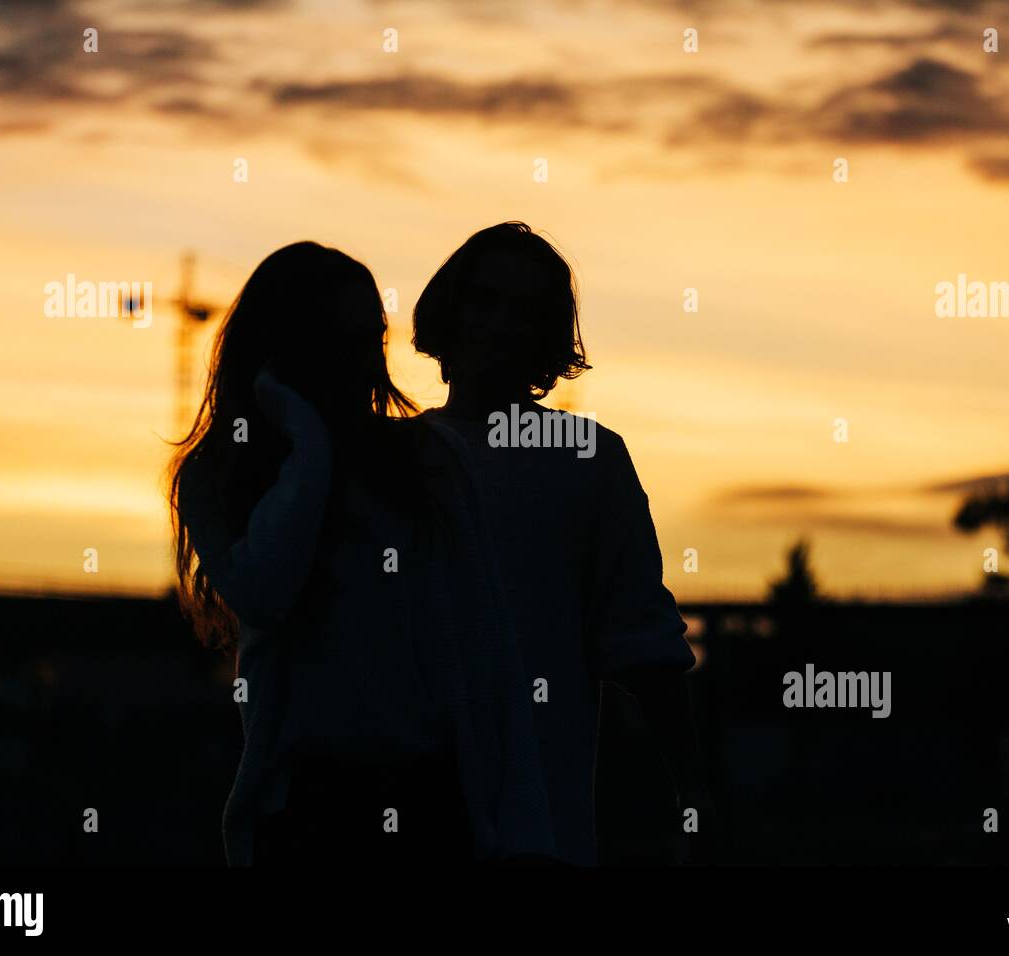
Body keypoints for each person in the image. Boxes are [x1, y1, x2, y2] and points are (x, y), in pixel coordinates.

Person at [167, 241, 555, 866]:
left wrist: (523, 833)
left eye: (371, 339)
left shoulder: (429, 462)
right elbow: (268, 590)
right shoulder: (219, 477)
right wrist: (309, 448)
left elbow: (489, 654)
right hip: (303, 818)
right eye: (339, 342)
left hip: (428, 807)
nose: (363, 364)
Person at [414, 222, 717, 865]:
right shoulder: (393, 462)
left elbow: (646, 643)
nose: (497, 326)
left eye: (521, 311)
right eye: (483, 301)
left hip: (543, 828)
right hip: (409, 815)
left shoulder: (588, 461)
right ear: (451, 309)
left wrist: (691, 790)